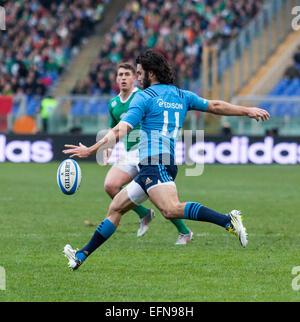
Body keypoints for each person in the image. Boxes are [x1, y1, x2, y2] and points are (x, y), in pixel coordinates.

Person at [62, 49, 270, 270]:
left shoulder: (143, 97)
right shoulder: (182, 95)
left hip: (155, 161)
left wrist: (91, 149)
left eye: (140, 73)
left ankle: (228, 220)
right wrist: (247, 110)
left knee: (170, 209)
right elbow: (215, 106)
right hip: (158, 162)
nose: (137, 78)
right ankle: (81, 255)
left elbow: (123, 127)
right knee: (116, 209)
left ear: (151, 74)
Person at [87, 62, 193, 243]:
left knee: (158, 196)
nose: (123, 78)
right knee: (110, 185)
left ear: (135, 78)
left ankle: (184, 231)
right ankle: (144, 214)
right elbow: (115, 128)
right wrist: (108, 148)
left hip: (149, 150)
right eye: (120, 75)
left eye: (127, 75)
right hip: (130, 153)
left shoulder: (144, 96)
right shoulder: (113, 103)